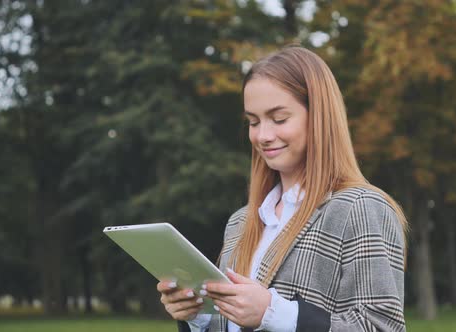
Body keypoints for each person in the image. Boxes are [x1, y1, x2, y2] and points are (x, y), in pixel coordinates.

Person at [157, 46, 408, 332]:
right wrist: (197, 316)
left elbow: (381, 326)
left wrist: (274, 313)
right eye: (253, 121)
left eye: (279, 119)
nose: (263, 136)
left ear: (319, 117)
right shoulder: (241, 223)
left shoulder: (359, 208)